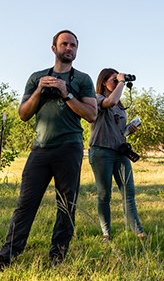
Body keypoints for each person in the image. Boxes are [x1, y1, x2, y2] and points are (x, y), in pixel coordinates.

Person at [0, 30, 97, 268]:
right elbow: (23, 114)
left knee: (66, 205)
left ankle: (57, 257)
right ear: (54, 48)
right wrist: (39, 91)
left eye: (73, 45)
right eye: (64, 44)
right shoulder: (37, 77)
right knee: (26, 203)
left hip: (70, 147)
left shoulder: (82, 79)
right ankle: (7, 255)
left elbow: (92, 114)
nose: (69, 48)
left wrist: (67, 94)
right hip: (40, 149)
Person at [89, 69, 146, 241]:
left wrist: (129, 130)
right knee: (104, 194)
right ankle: (106, 233)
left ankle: (138, 230)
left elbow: (119, 131)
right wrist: (122, 82)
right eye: (113, 80)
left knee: (129, 193)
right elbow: (110, 101)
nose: (117, 82)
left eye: (118, 80)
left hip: (120, 152)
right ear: (104, 82)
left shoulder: (121, 107)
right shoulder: (97, 99)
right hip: (101, 151)